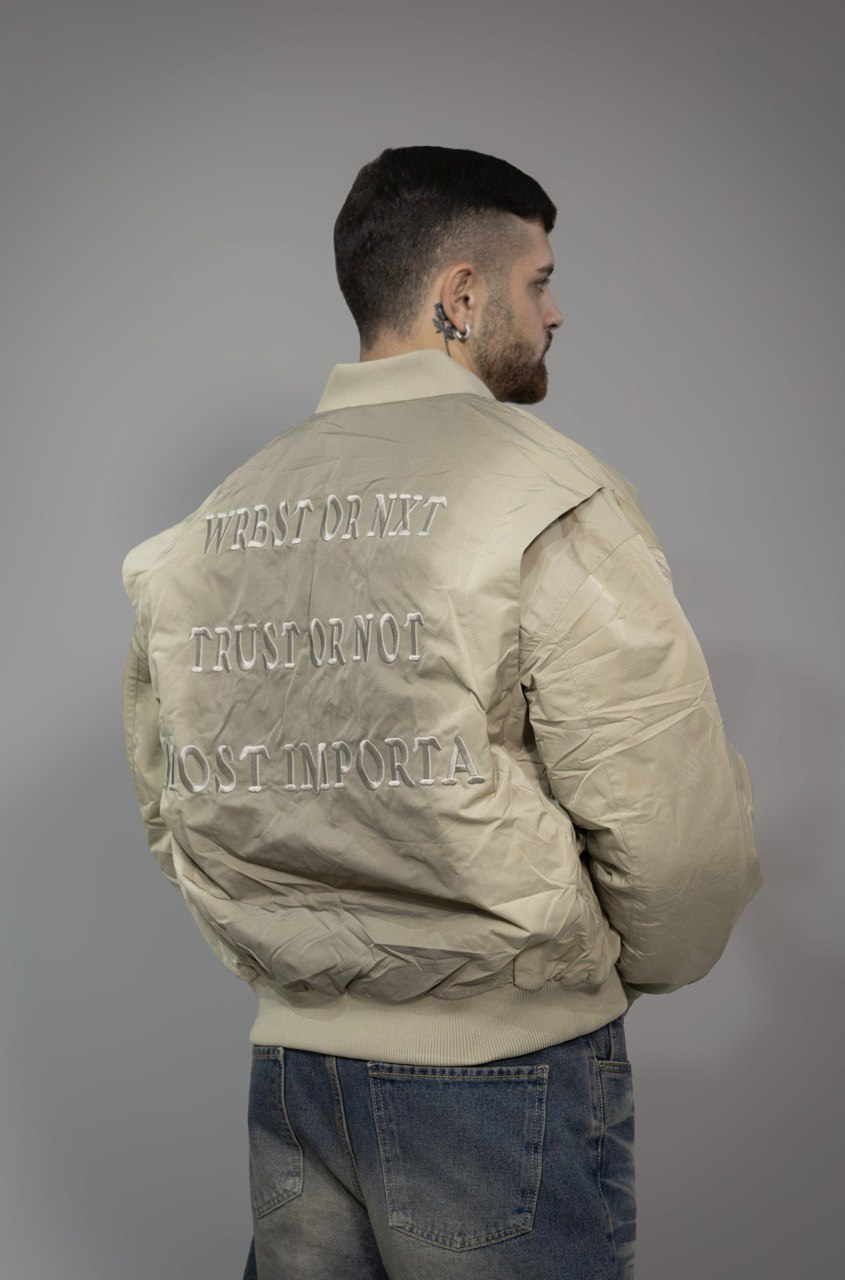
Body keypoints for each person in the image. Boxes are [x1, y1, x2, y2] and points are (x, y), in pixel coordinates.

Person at [120, 145, 764, 1280]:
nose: (554, 312)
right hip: (493, 1073)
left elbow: (170, 801)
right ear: (460, 294)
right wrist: (607, 972)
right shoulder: (540, 492)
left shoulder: (214, 519)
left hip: (292, 1073)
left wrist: (297, 969)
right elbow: (671, 825)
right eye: (537, 281)